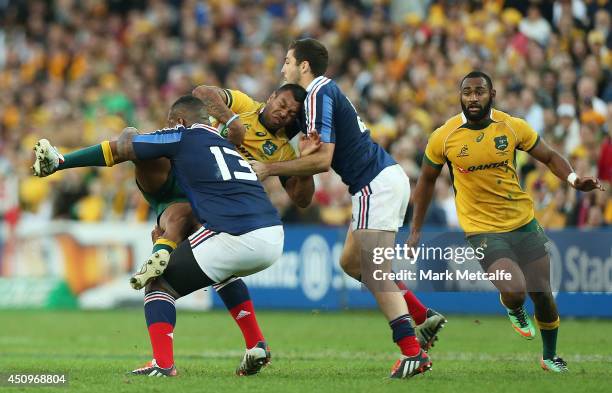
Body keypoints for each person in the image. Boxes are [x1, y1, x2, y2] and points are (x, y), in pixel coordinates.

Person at [32, 86, 316, 376]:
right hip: (272, 233)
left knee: (159, 285)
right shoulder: (230, 146)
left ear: (178, 122)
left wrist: (62, 162)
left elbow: (125, 147)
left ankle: (163, 363)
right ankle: (255, 343)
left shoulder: (182, 135)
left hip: (235, 232)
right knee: (221, 272)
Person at [250, 38, 442, 379]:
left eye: (287, 61)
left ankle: (413, 353)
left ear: (304, 66)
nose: (283, 68)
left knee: (376, 269)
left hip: (375, 183)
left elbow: (323, 161)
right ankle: (421, 315)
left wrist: (270, 168)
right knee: (352, 263)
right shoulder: (317, 97)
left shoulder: (319, 91)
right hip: (380, 180)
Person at [407, 71, 604, 373]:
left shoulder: (511, 127)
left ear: (492, 94)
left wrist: (574, 179)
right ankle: (513, 306)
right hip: (481, 228)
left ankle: (549, 356)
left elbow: (549, 156)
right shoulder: (444, 136)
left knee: (543, 295)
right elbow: (426, 182)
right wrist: (416, 230)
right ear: (460, 97)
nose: (473, 98)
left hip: (522, 221)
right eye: (467, 92)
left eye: (480, 92)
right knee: (515, 290)